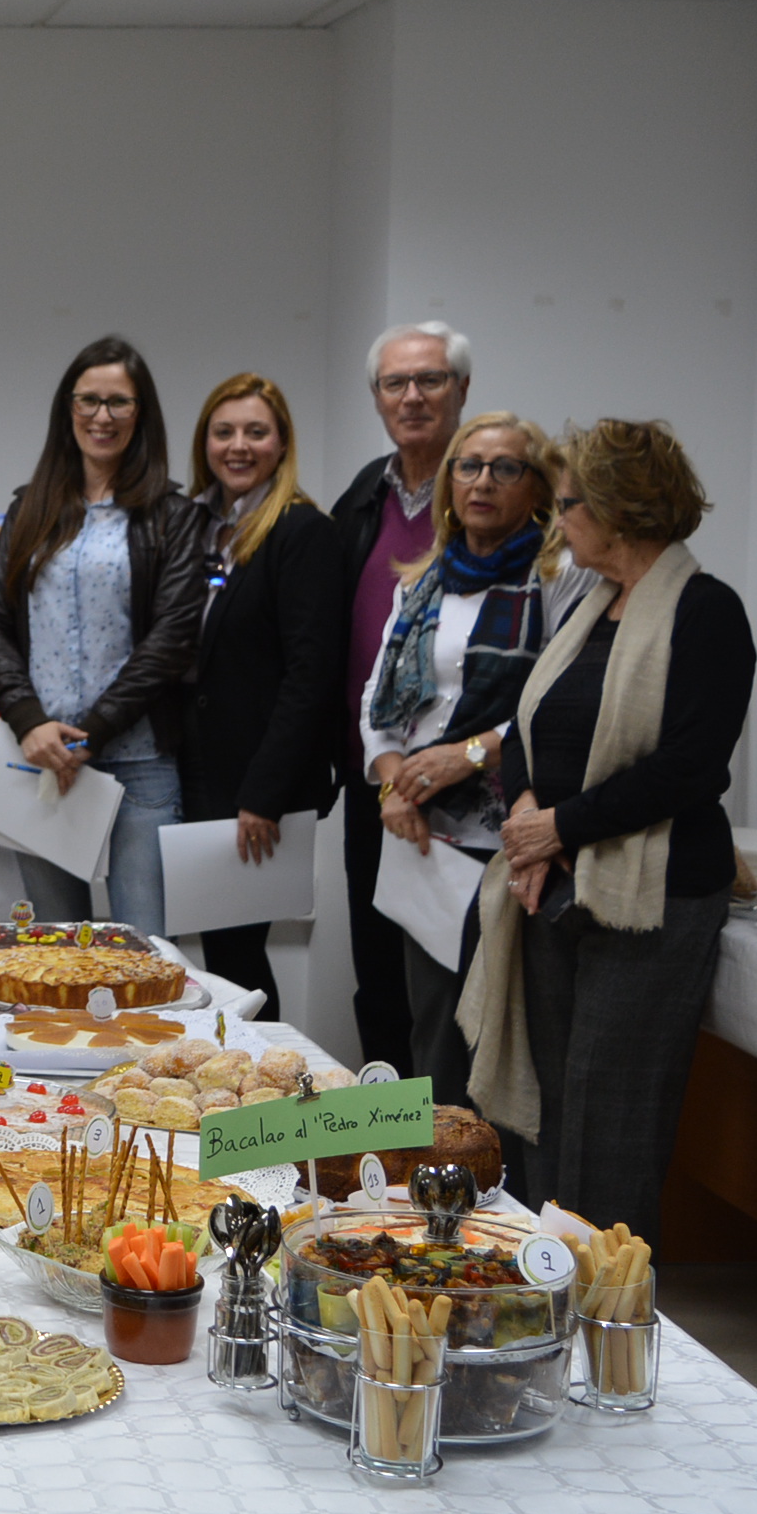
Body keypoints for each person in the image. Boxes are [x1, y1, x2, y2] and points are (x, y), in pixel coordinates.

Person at [460, 421, 752, 1242]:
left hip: (649, 899)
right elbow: (526, 723)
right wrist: (523, 813)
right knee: (550, 1108)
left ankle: (607, 1313)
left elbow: (692, 767)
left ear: (617, 513)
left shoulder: (705, 612)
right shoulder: (592, 605)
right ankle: (543, 1285)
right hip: (557, 889)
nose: (559, 523)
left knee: (612, 1111)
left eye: (568, 506)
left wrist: (561, 828)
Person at [360, 412, 593, 1094]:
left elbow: (565, 701)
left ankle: (500, 1191)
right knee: (435, 1031)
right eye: (469, 466)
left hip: (511, 839)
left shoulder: (562, 579)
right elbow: (379, 702)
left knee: (508, 1040)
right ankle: (437, 1184)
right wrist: (392, 780)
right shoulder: (419, 583)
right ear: (449, 483)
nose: (483, 482)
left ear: (537, 487)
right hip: (425, 840)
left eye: (505, 468)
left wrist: (475, 752)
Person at [0, 337, 209, 935]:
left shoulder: (172, 516)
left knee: (144, 955)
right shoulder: (31, 509)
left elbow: (172, 639)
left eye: (119, 403)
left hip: (138, 764)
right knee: (56, 959)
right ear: (67, 409)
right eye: (89, 401)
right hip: (39, 760)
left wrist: (93, 733)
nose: (102, 417)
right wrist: (29, 722)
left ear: (142, 414)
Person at [175, 374, 345, 1014]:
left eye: (256, 432)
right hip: (196, 770)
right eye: (224, 432)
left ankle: (265, 1092)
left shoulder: (303, 531)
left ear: (282, 444)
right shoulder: (200, 526)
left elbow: (311, 674)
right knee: (216, 953)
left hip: (255, 788)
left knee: (237, 956)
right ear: (205, 443)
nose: (238, 446)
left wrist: (264, 794)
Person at [333, 322, 474, 1070]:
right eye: (396, 383)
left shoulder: (490, 490)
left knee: (452, 993)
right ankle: (384, 1154)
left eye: (430, 380)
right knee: (379, 976)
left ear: (461, 390)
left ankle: (449, 1158)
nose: (412, 397)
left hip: (467, 788)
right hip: (375, 780)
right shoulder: (361, 496)